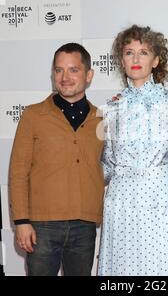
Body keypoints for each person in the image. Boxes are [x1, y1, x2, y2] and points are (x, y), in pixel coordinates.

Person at [9, 43, 104, 276]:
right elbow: (18, 171)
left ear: (89, 75)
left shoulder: (102, 118)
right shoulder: (33, 115)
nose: (65, 77)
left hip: (85, 225)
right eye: (59, 70)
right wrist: (21, 221)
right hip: (42, 226)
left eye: (73, 70)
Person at [98, 25, 168, 275]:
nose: (135, 59)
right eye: (129, 52)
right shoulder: (110, 108)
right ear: (121, 61)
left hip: (160, 197)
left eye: (143, 52)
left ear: (156, 60)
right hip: (121, 199)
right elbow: (106, 162)